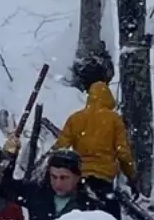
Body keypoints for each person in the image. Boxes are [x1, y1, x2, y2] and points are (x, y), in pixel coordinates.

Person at [54, 81, 137, 210]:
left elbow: (61, 147)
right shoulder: (114, 120)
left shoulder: (75, 118)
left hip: (80, 176)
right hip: (104, 178)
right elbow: (123, 153)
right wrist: (132, 176)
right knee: (110, 217)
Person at [0, 145, 107, 220]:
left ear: (77, 177)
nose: (58, 183)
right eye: (53, 177)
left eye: (64, 178)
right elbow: (5, 188)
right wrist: (10, 157)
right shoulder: (37, 193)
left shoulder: (90, 206)